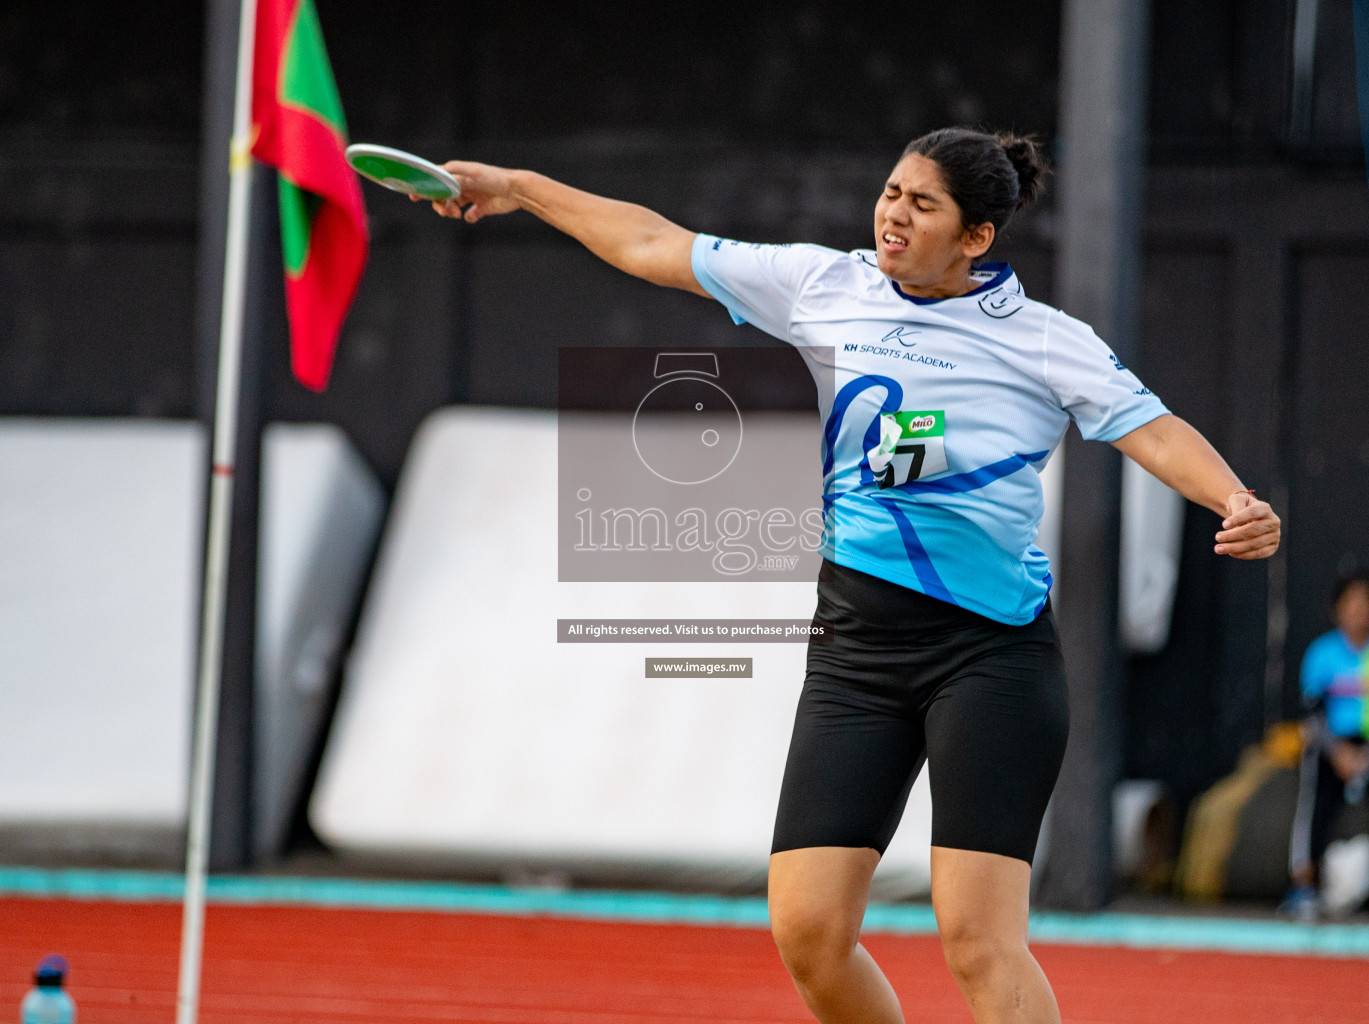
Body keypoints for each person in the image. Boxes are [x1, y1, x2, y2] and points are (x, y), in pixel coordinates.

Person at [421, 127, 1281, 1024]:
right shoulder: (823, 286)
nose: (893, 214)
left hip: (988, 661)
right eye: (891, 192)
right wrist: (521, 185)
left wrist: (1235, 501)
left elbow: (1154, 429)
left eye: (922, 204)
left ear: (976, 238)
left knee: (978, 940)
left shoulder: (1045, 342)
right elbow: (653, 244)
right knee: (808, 931)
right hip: (854, 657)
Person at [1283, 568, 1369, 924]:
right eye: (1350, 604)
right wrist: (1339, 753)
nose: (1358, 611)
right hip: (1333, 749)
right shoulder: (1321, 654)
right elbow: (1310, 715)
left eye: (1365, 603)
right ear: (1337, 610)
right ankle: (1304, 885)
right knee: (1313, 788)